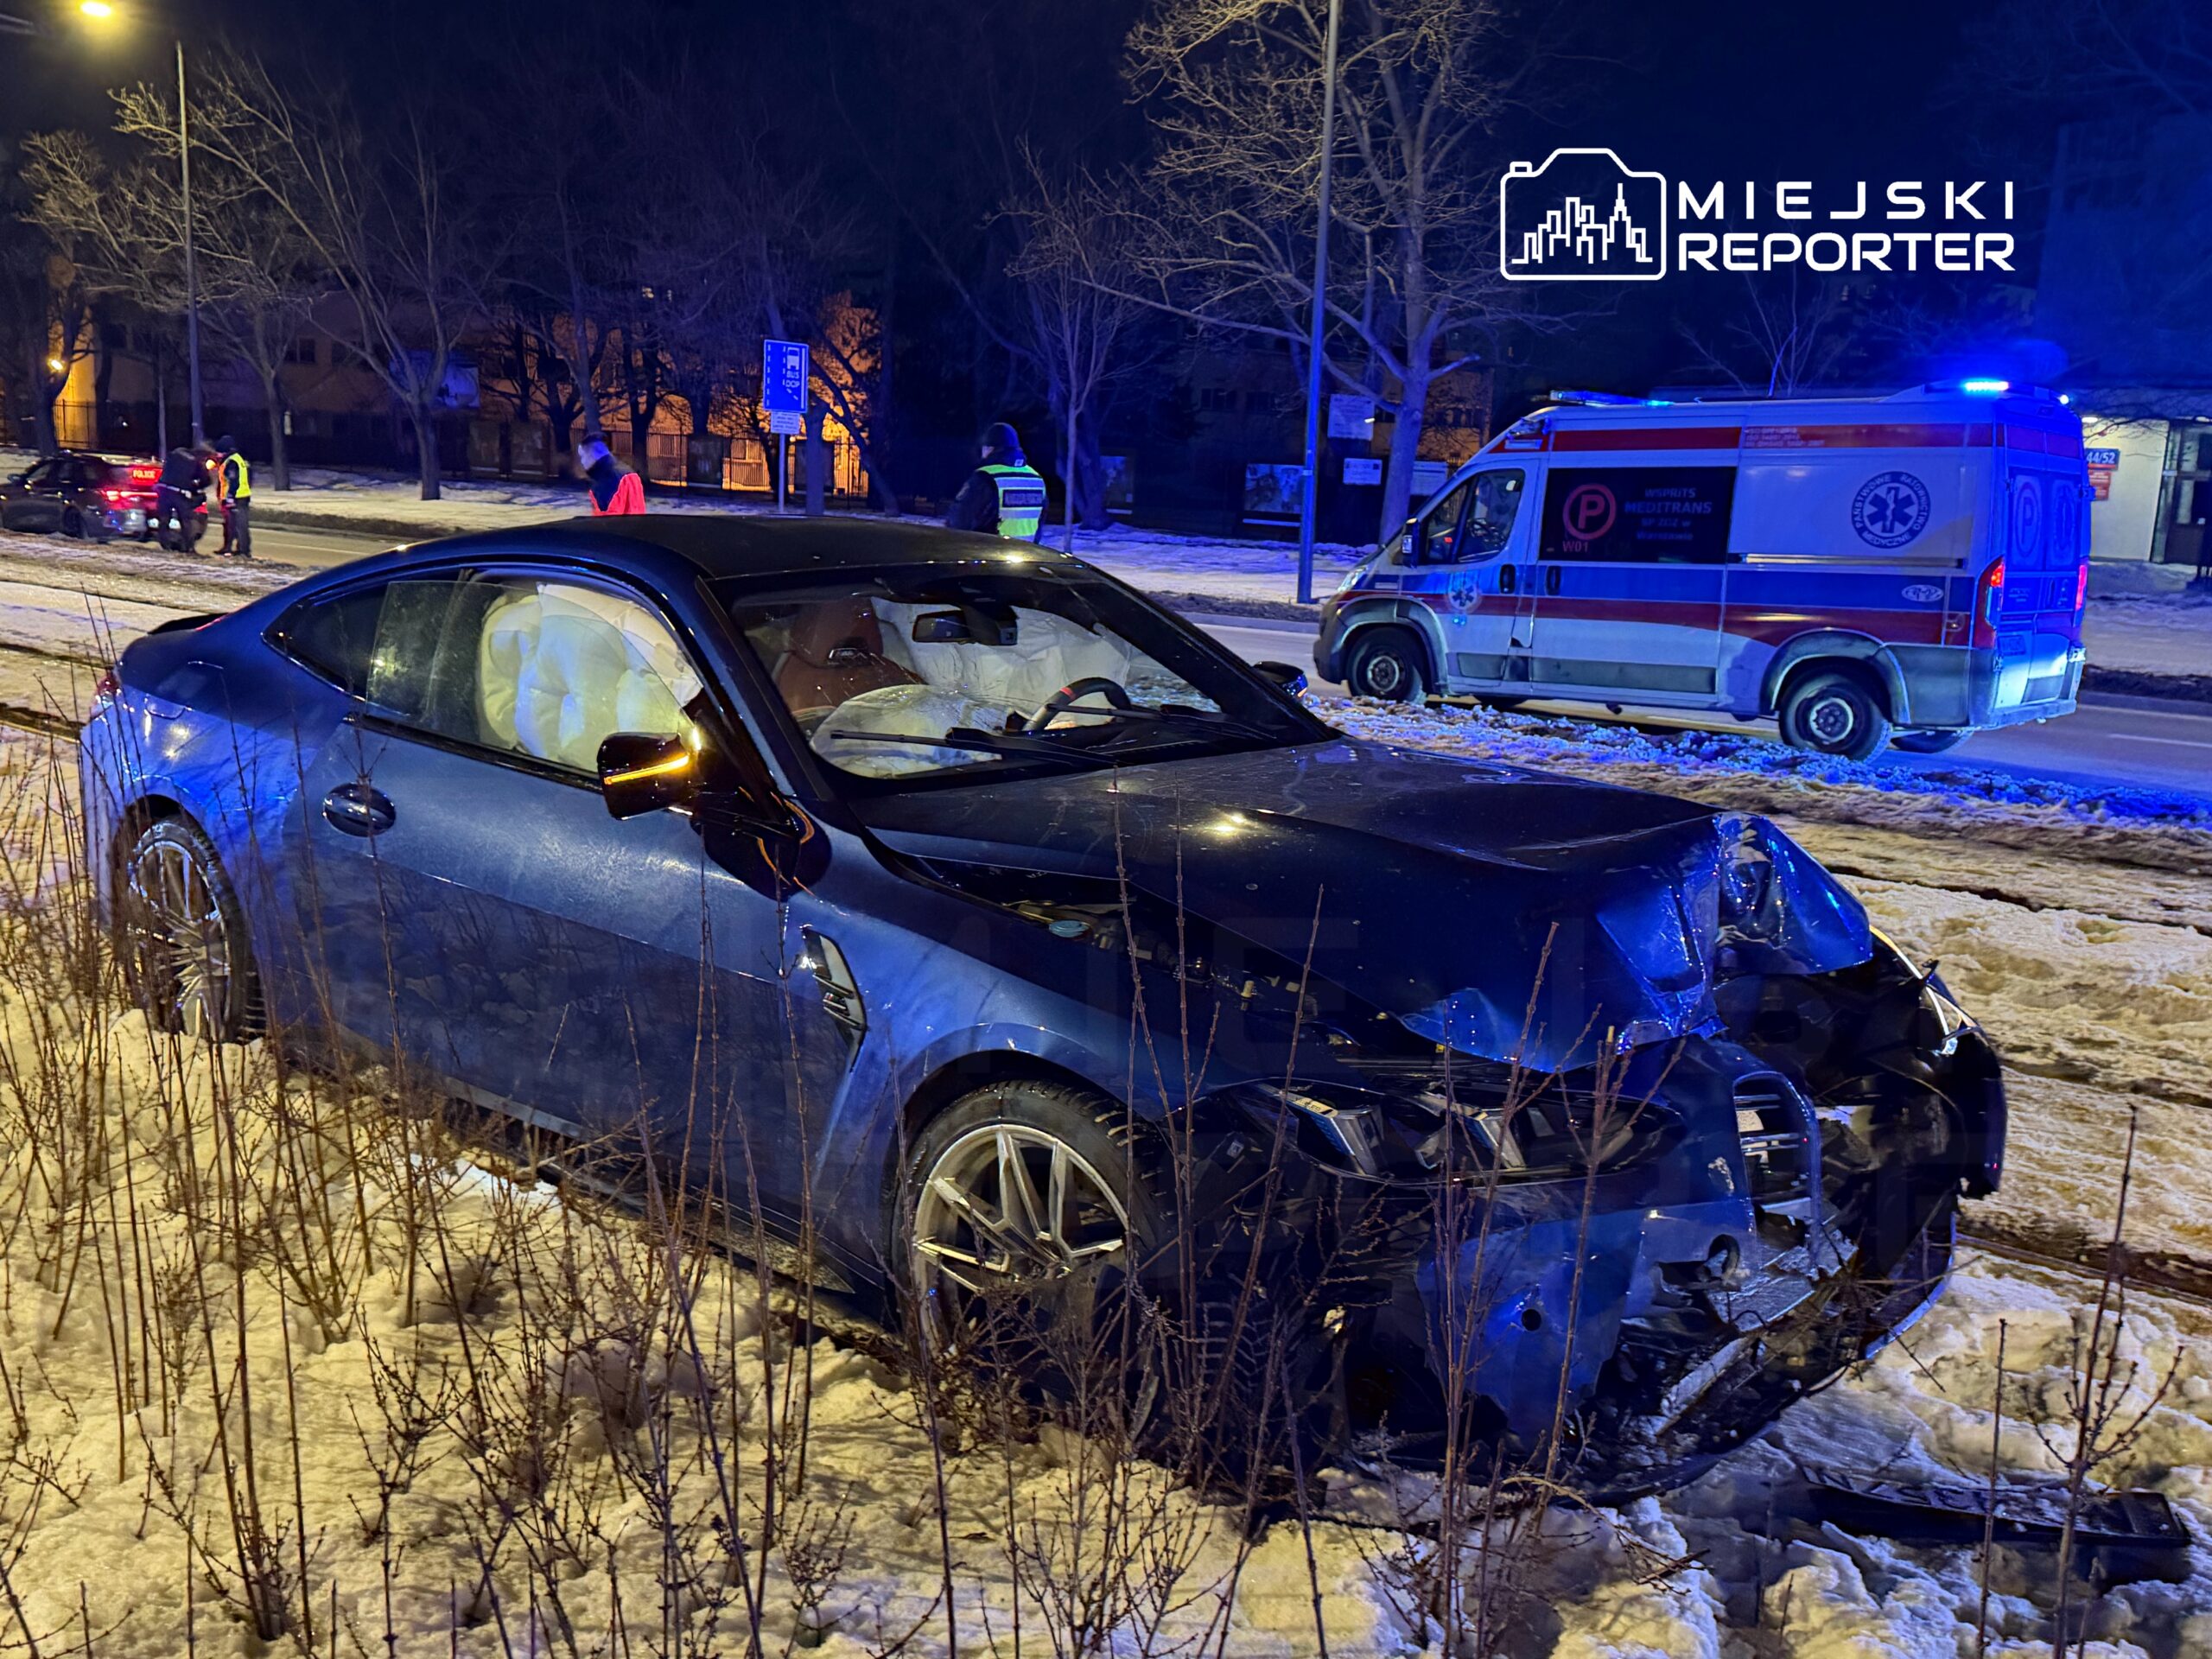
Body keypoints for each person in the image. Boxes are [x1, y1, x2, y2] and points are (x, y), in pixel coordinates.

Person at [945, 422, 1046, 541]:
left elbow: (960, 519)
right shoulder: (1036, 479)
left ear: (990, 449)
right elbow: (1039, 524)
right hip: (1026, 550)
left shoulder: (985, 478)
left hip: (992, 550)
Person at [577, 432, 645, 515]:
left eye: (583, 456)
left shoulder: (603, 480)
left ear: (593, 453)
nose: (582, 462)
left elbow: (607, 519)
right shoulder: (629, 472)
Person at [213, 434, 251, 558]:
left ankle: (242, 551)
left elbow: (233, 480)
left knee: (237, 525)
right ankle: (234, 548)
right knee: (236, 525)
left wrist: (230, 497)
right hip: (243, 496)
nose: (218, 455)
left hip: (236, 498)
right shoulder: (239, 459)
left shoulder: (231, 462)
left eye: (219, 452)